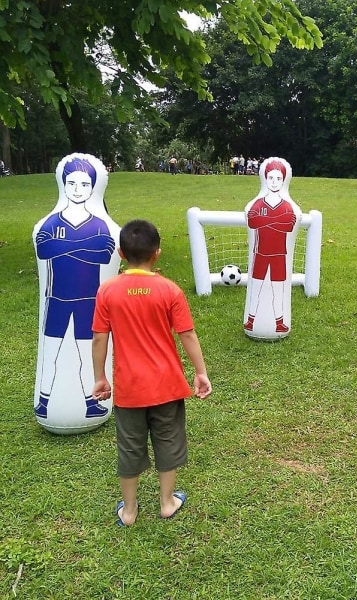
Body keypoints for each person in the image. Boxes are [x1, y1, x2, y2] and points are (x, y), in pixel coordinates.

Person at [91, 219, 212, 526]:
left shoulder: (107, 291)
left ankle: (129, 511)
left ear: (120, 253)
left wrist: (100, 378)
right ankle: (167, 502)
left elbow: (99, 337)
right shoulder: (170, 290)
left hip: (129, 388)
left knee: (129, 445)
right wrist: (200, 372)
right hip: (167, 384)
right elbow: (187, 334)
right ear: (157, 253)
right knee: (168, 440)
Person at [34, 156, 116, 419]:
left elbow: (104, 255)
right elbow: (45, 249)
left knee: (87, 352)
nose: (77, 189)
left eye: (83, 184)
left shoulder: (100, 224)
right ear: (63, 185)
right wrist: (83, 246)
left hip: (88, 301)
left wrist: (66, 248)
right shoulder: (51, 222)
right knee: (51, 351)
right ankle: (44, 401)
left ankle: (90, 402)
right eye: (71, 183)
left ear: (93, 187)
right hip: (56, 299)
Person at [244, 159, 298, 333]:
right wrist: (276, 221)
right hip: (260, 254)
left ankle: (279, 323)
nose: (274, 182)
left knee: (278, 289)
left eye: (278, 178)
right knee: (257, 287)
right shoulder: (258, 204)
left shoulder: (288, 206)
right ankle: (251, 321)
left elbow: (289, 225)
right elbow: (252, 221)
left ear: (284, 180)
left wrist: (266, 222)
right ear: (265, 179)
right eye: (271, 178)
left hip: (279, 255)